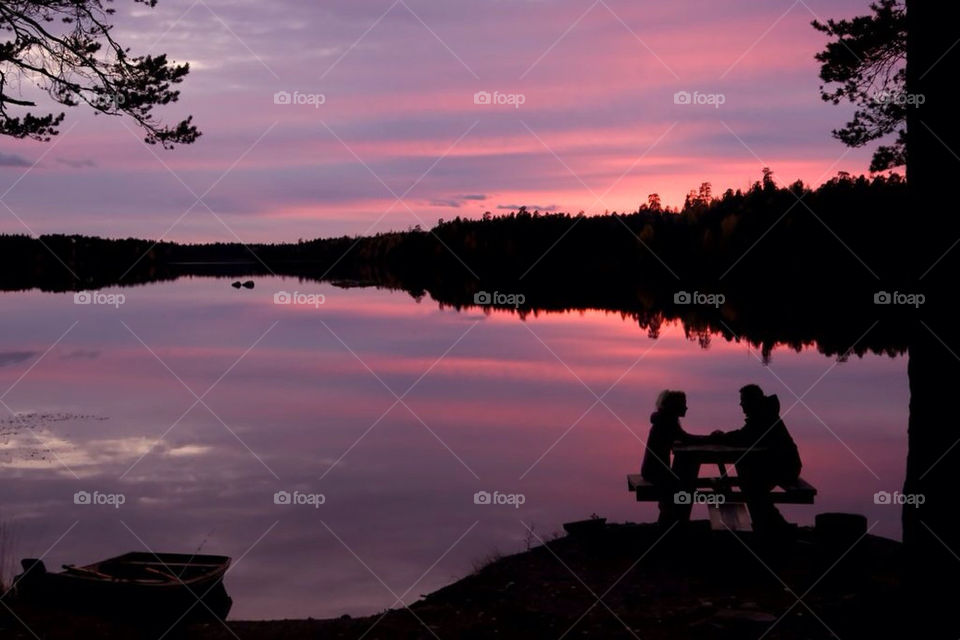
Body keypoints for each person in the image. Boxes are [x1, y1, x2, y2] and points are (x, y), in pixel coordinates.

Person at [710, 384, 802, 533]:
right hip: (778, 465)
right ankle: (771, 526)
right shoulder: (763, 414)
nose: (741, 404)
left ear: (752, 401)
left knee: (751, 486)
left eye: (743, 401)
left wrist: (722, 437)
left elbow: (745, 437)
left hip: (786, 468)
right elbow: (745, 435)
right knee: (747, 478)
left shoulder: (764, 417)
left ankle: (773, 527)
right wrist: (724, 437)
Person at [641, 390, 706, 524]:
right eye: (683, 404)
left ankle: (670, 520)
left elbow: (683, 438)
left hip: (653, 470)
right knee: (684, 487)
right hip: (655, 472)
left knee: (683, 486)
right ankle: (674, 522)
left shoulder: (665, 420)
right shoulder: (667, 421)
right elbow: (686, 438)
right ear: (674, 406)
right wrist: (711, 438)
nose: (686, 407)